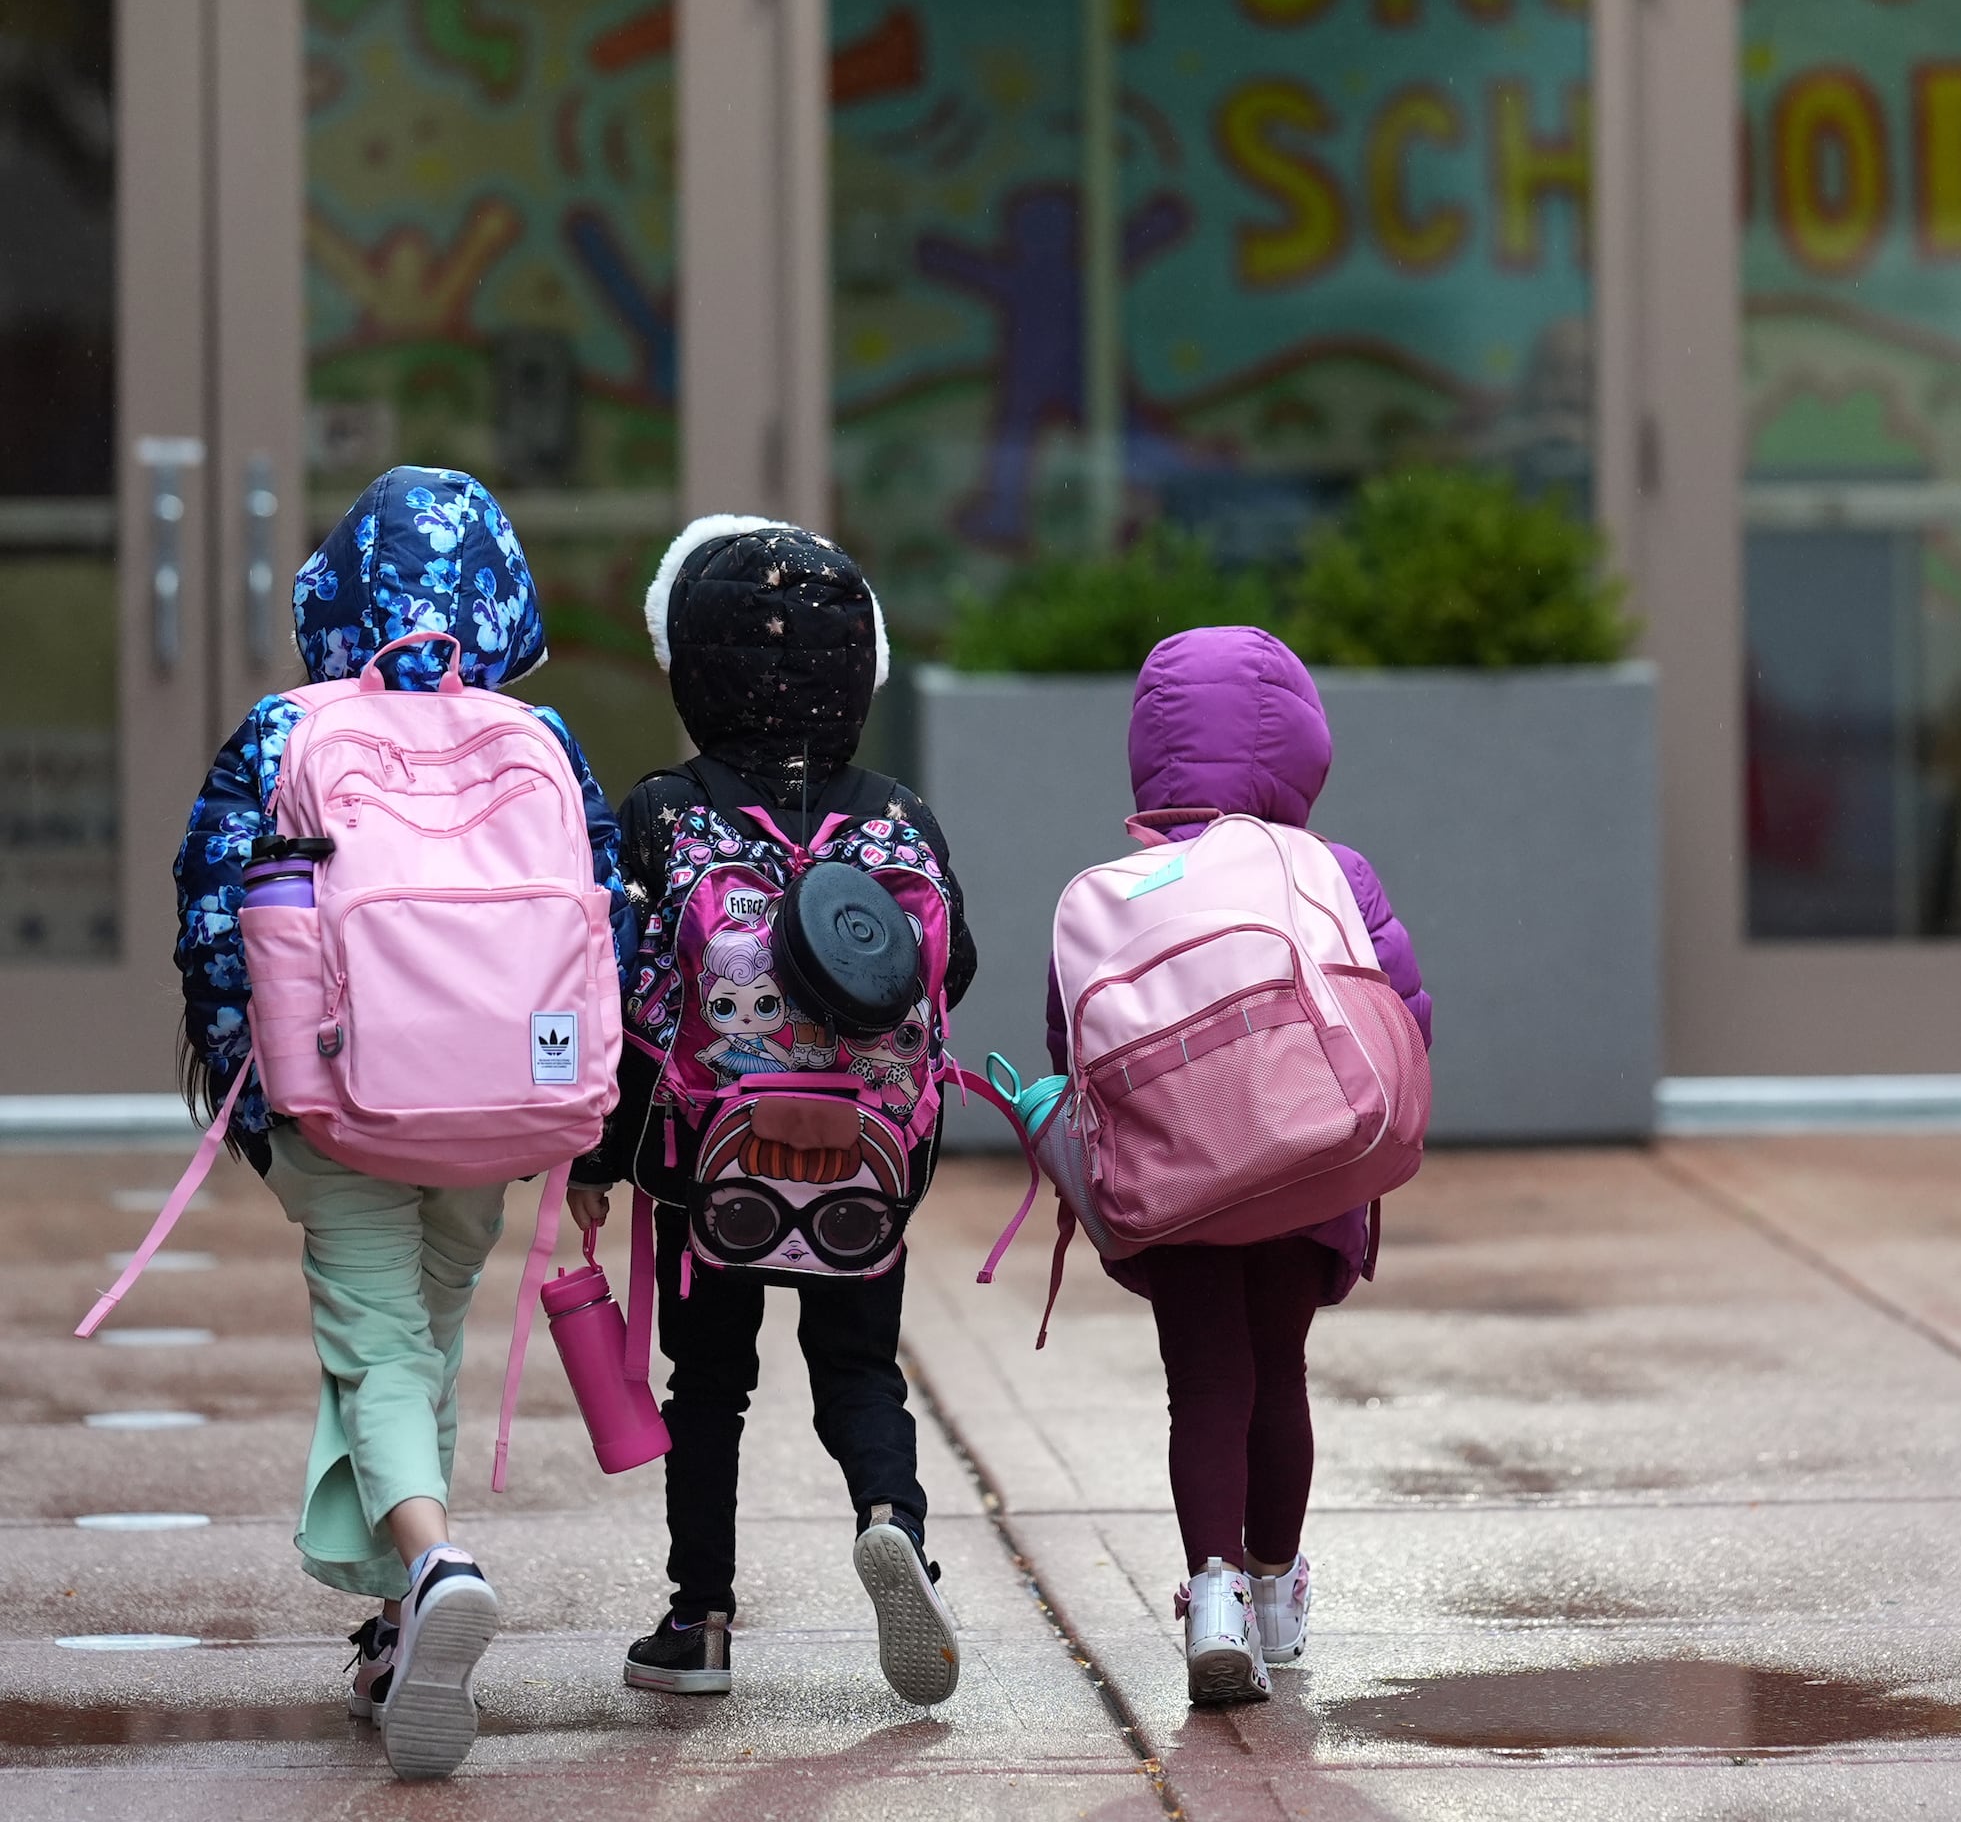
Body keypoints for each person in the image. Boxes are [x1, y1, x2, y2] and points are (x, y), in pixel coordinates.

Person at [168, 466, 627, 1779]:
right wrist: (589, 1129)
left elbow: (214, 921)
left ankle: (433, 1568)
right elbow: (608, 926)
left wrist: (248, 1098)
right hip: (501, 1100)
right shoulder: (535, 737)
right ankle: (388, 1628)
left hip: (342, 1100)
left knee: (375, 1348)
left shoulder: (281, 732)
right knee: (419, 1337)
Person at [565, 515, 978, 1705]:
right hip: (866, 1167)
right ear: (862, 672)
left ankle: (699, 1621)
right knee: (862, 1375)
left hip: (710, 1172)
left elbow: (628, 996)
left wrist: (599, 1154)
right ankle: (893, 1519)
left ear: (692, 672)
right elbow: (946, 975)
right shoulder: (900, 817)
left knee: (709, 1388)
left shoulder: (665, 813)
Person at [1046, 625, 1430, 1706]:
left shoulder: (1119, 890)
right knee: (1281, 1378)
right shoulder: (1327, 869)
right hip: (1311, 1170)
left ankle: (1209, 1597)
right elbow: (1402, 1007)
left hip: (1178, 1186)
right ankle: (1274, 1594)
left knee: (1205, 1386)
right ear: (1303, 746)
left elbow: (1065, 1047)